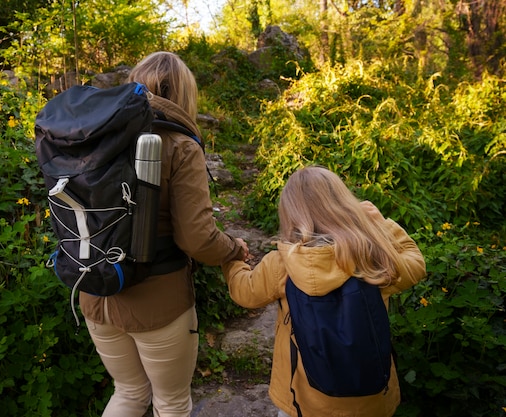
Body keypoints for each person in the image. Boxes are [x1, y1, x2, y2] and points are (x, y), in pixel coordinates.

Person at [79, 51, 247, 417]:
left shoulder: (98, 136)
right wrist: (233, 249)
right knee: (170, 403)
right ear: (185, 95)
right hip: (157, 303)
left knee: (128, 393)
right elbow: (198, 239)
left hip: (95, 290)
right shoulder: (180, 144)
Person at [221, 165, 426, 417]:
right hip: (371, 402)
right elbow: (416, 264)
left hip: (302, 401)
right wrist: (379, 224)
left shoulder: (282, 263)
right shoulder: (372, 257)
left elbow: (245, 292)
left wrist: (231, 259)